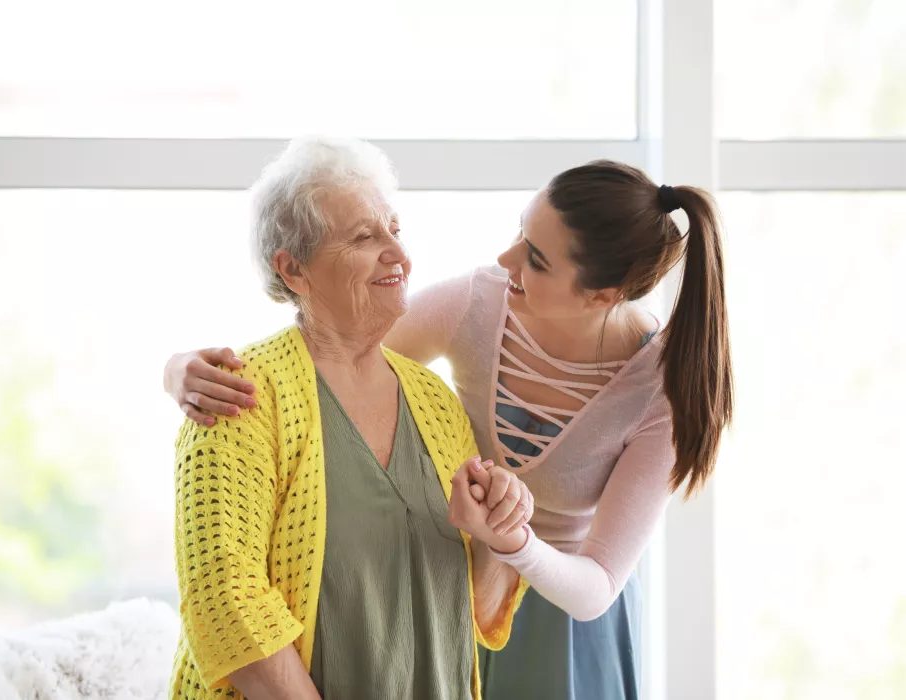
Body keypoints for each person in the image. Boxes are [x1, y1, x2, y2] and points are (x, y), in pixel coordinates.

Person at [166, 155, 734, 700]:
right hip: (464, 595)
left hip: (549, 611)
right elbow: (329, 356)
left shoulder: (659, 392)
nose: (505, 259)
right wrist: (179, 372)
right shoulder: (480, 303)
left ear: (603, 295)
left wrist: (508, 538)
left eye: (536, 259)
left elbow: (594, 587)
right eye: (366, 237)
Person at [170, 137, 534, 700]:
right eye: (365, 237)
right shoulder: (238, 396)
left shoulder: (435, 402)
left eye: (395, 230)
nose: (399, 254)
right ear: (294, 270)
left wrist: (500, 539)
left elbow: (475, 610)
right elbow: (225, 600)